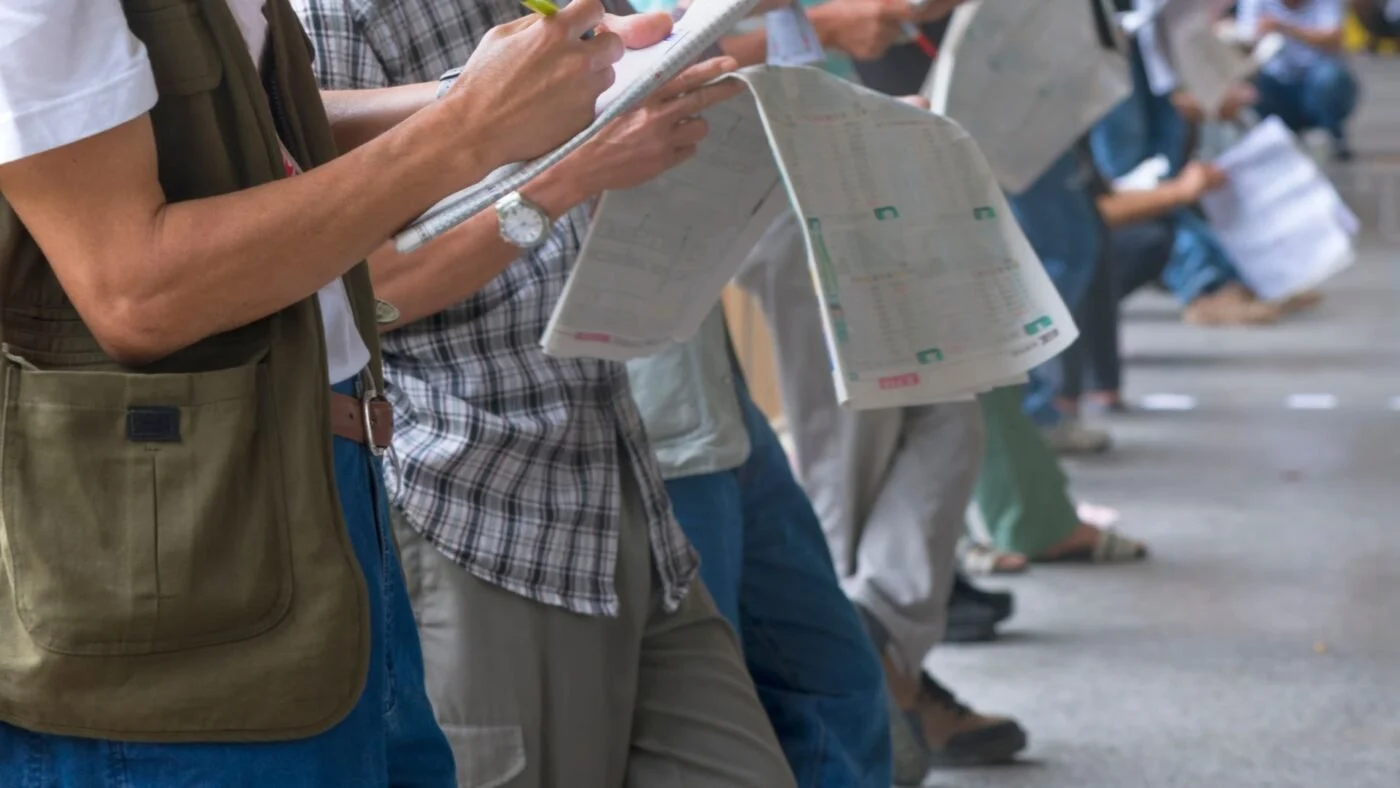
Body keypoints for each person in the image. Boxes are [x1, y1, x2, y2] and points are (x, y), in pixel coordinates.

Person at [0, 0, 625, 784]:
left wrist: (481, 99)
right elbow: (135, 292)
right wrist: (467, 126)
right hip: (178, 590)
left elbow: (254, 139)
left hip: (325, 503)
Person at [294, 0, 803, 785]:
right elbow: (355, 290)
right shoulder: (338, 14)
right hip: (473, 502)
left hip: (617, 468)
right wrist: (572, 174)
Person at [1237, 0, 1360, 159]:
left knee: (1330, 77)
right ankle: (1267, 137)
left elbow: (1334, 38)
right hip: (1274, 84)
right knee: (1246, 82)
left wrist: (1285, 28)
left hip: (1315, 82)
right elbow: (1243, 38)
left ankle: (1329, 130)